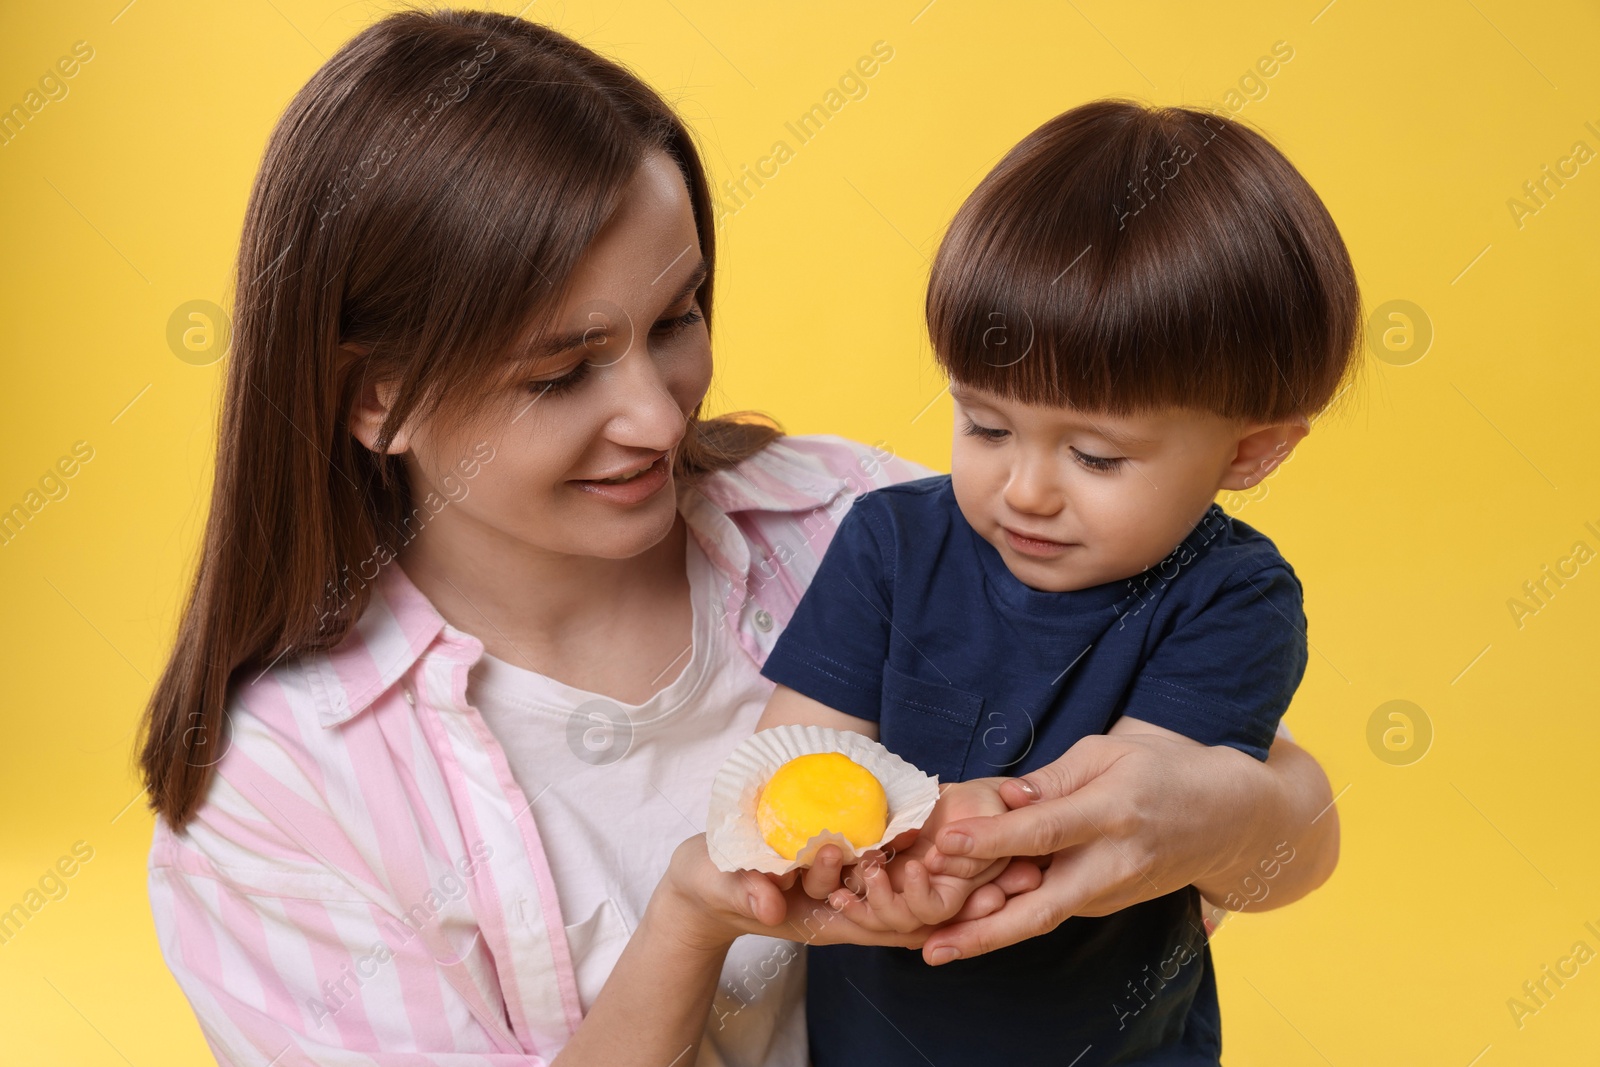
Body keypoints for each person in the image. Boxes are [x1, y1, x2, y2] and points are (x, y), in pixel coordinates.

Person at [134, 10, 1341, 1065]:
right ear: (372, 398)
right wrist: (692, 918)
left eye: (677, 318)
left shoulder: (861, 520)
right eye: (562, 372)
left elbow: (1261, 824)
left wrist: (1223, 820)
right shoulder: (287, 791)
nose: (662, 416)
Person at [753, 99, 1360, 1064]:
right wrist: (864, 853)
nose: (1024, 490)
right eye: (985, 426)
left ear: (1248, 450)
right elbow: (795, 762)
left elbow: (1130, 809)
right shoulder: (890, 541)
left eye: (1096, 456)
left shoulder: (1232, 596)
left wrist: (957, 839)